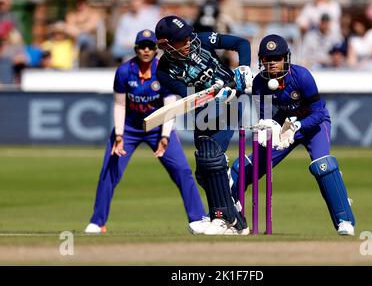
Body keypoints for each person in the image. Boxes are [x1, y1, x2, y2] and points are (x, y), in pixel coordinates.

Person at [85, 29, 209, 235]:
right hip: (130, 129)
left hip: (158, 127)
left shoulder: (164, 71)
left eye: (150, 46)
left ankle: (198, 219)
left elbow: (171, 105)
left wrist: (165, 136)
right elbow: (120, 106)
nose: (146, 50)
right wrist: (118, 135)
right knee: (109, 171)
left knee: (182, 171)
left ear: (156, 49)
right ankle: (97, 222)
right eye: (142, 46)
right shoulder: (125, 71)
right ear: (136, 49)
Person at [230, 34, 356, 236]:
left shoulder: (301, 76)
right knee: (247, 166)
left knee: (322, 166)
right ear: (261, 60)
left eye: (277, 58)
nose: (272, 64)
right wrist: (268, 128)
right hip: (284, 127)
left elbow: (318, 112)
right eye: (267, 59)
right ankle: (230, 213)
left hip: (314, 124)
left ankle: (344, 220)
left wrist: (298, 125)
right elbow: (266, 116)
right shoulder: (259, 84)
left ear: (286, 58)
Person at [154, 15, 253, 235]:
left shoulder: (203, 39)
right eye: (182, 40)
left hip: (231, 101)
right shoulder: (164, 72)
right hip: (204, 110)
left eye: (188, 36)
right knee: (203, 171)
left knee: (211, 158)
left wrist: (243, 69)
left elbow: (241, 43)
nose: (189, 41)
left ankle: (221, 218)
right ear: (166, 45)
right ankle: (235, 220)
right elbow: (191, 98)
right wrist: (212, 94)